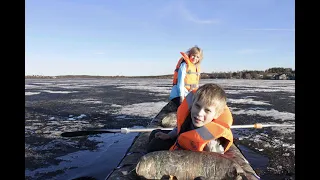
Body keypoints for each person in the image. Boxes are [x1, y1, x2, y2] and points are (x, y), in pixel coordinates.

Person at [147, 83, 234, 154]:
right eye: (197, 106)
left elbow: (217, 161)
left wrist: (210, 152)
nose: (199, 113)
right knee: (154, 133)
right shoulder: (189, 118)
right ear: (192, 104)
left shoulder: (212, 143)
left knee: (154, 146)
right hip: (180, 143)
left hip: (187, 158)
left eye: (207, 110)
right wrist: (169, 135)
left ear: (216, 115)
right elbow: (180, 129)